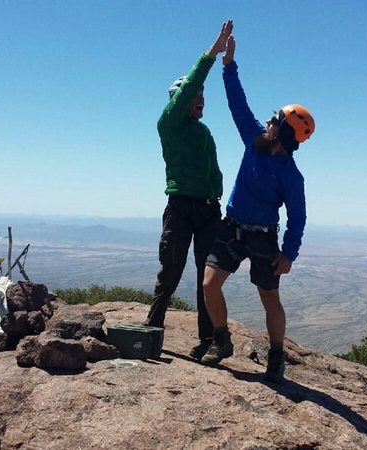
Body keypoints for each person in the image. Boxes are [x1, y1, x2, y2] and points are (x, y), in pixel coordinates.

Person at [200, 31, 315, 383]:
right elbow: (238, 103)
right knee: (209, 284)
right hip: (232, 228)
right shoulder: (255, 141)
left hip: (264, 239)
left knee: (269, 298)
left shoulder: (291, 177)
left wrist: (289, 254)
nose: (269, 121)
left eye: (275, 121)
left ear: (284, 135)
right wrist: (229, 63)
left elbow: (298, 217)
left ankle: (277, 357)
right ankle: (222, 341)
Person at [144, 21, 234, 360]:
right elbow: (191, 83)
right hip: (180, 206)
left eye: (202, 96)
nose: (201, 99)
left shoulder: (205, 132)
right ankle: (152, 332)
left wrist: (219, 205)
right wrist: (213, 51)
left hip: (209, 210)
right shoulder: (169, 125)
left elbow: (215, 172)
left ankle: (207, 340)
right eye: (195, 96)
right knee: (170, 271)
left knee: (206, 278)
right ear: (179, 102)